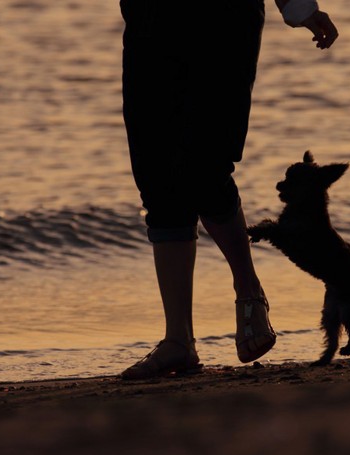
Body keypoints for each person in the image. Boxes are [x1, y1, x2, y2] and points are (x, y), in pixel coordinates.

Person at [119, 0, 338, 379]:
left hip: (225, 19)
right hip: (150, 18)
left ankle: (248, 289)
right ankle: (178, 341)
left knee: (205, 168)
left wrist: (300, 7)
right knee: (157, 180)